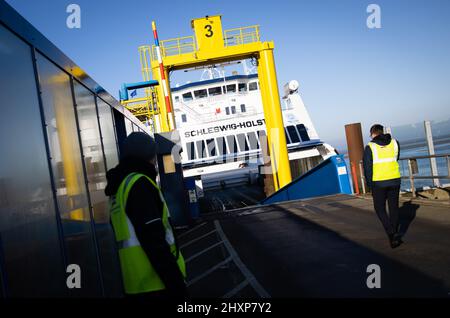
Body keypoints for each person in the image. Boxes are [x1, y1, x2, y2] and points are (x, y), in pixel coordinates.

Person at [105, 132, 187, 298]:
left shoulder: (119, 188)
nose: (156, 161)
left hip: (135, 285)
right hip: (157, 284)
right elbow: (154, 241)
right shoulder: (140, 185)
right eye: (154, 156)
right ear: (148, 157)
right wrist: (177, 286)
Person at [363, 124, 403, 249]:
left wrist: (369, 185)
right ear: (382, 131)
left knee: (379, 208)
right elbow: (396, 158)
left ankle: (392, 233)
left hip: (379, 182)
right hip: (395, 180)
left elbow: (367, 168)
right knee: (394, 208)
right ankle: (395, 235)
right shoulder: (395, 143)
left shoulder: (370, 147)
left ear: (373, 133)